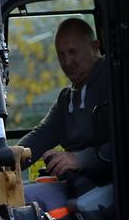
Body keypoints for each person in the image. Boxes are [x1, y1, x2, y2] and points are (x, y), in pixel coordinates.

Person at [19, 17, 112, 194]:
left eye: (73, 52)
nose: (67, 62)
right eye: (61, 54)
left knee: (26, 201)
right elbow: (40, 136)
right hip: (80, 188)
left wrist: (79, 159)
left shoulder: (113, 81)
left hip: (113, 190)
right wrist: (7, 159)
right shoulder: (66, 99)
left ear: (94, 47)